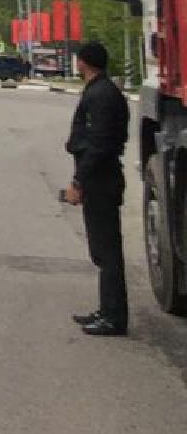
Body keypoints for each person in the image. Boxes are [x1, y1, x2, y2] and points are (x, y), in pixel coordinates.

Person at [62, 40, 129, 336]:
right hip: (99, 177)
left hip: (100, 180)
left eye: (79, 60)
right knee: (103, 251)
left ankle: (113, 318)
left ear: (84, 63)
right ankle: (107, 310)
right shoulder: (103, 91)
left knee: (107, 252)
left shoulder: (102, 95)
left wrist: (78, 182)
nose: (77, 65)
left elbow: (99, 144)